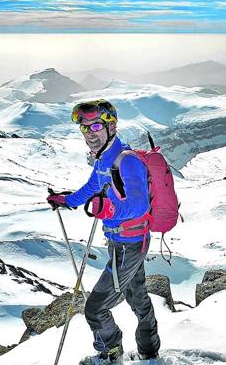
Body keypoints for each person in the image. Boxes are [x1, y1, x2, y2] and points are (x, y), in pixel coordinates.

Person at [47, 99, 160, 365]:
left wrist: (108, 209)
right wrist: (67, 201)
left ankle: (111, 354)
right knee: (137, 296)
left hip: (129, 244)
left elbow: (139, 202)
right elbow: (91, 188)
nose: (90, 133)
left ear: (111, 126)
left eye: (96, 125)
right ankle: (149, 351)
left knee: (95, 308)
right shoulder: (103, 159)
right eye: (85, 128)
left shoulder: (126, 160)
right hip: (126, 240)